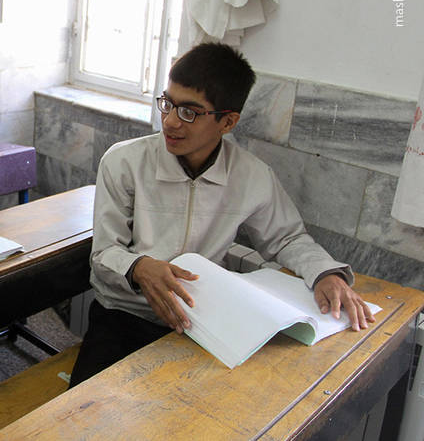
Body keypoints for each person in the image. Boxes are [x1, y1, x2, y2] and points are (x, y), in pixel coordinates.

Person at [69, 43, 375, 387]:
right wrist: (139, 268)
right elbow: (104, 253)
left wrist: (325, 275)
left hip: (201, 321)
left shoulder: (250, 175)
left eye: (189, 112)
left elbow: (287, 238)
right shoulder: (124, 162)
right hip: (124, 316)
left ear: (227, 121)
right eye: (167, 103)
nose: (170, 121)